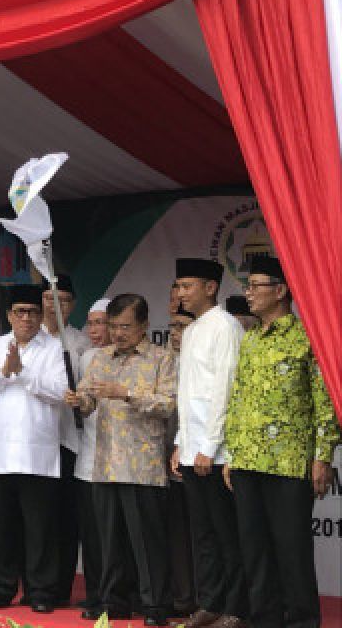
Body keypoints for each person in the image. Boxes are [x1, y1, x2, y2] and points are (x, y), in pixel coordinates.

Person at [223, 255, 341, 628]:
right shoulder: (251, 340)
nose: (249, 293)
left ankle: (303, 621)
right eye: (247, 286)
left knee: (292, 552)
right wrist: (232, 454)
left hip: (289, 463)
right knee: (254, 552)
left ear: (281, 290)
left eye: (256, 285)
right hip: (246, 462)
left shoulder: (308, 337)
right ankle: (265, 621)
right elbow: (239, 400)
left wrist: (322, 457)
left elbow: (326, 403)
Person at [67, 294, 176, 626]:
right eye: (112, 326)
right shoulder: (100, 359)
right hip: (105, 464)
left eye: (125, 326)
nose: (117, 333)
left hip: (142, 467)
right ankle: (114, 603)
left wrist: (126, 393)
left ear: (143, 325)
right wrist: (78, 400)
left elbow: (168, 405)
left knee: (147, 543)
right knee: (109, 541)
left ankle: (155, 606)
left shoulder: (161, 358)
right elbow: (88, 401)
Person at [0, 284, 67, 613]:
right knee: (0, 529)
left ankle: (40, 592)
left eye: (32, 312)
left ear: (41, 316)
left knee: (40, 528)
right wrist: (4, 372)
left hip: (37, 455)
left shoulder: (53, 348)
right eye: (20, 312)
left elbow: (60, 391)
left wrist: (22, 374)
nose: (26, 318)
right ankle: (0, 590)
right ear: (9, 315)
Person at [171, 258, 246, 628]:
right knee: (203, 535)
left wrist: (210, 446)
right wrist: (181, 443)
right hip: (193, 449)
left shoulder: (226, 327)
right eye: (179, 286)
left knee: (226, 533)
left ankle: (235, 608)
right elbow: (188, 395)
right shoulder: (195, 329)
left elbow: (225, 390)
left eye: (186, 285)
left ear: (210, 287)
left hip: (216, 453)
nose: (180, 293)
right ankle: (211, 602)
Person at [43, 272, 91, 606]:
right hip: (37, 441)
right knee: (40, 516)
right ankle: (38, 584)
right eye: (49, 298)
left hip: (70, 441)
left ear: (72, 305)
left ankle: (61, 588)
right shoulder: (27, 340)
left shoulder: (82, 343)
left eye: (62, 300)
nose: (55, 305)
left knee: (66, 515)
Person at [73, 297, 112, 618]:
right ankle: (96, 592)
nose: (96, 329)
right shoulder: (85, 359)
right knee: (93, 534)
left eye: (102, 322)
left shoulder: (130, 359)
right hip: (87, 457)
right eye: (92, 322)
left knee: (115, 533)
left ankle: (119, 595)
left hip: (119, 461)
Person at [165, 306, 198, 618]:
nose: (176, 333)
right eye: (172, 327)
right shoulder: (163, 362)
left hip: (202, 459)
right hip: (165, 463)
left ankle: (207, 600)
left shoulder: (203, 363)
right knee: (175, 534)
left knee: (202, 533)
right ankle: (182, 598)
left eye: (183, 326)